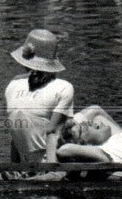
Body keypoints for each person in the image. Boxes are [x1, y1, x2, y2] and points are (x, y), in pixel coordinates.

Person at [5, 29, 75, 163]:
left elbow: (15, 132)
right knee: (95, 114)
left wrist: (14, 167)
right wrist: (50, 170)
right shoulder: (63, 87)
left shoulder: (13, 83)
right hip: (48, 158)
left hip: (25, 157)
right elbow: (52, 132)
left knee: (91, 113)